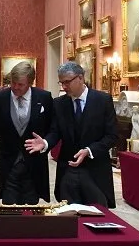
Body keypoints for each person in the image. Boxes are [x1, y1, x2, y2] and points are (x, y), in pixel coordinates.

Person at [25, 62, 118, 207]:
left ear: (80, 78)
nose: (64, 87)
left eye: (67, 82)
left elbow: (112, 136)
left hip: (95, 170)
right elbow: (55, 132)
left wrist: (89, 150)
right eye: (61, 82)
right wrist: (45, 143)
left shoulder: (103, 100)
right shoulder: (59, 104)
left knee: (97, 216)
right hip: (68, 171)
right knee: (69, 218)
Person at [0, 63, 53, 204]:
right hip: (8, 160)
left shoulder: (44, 97)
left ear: (30, 83)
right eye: (13, 83)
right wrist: (10, 140)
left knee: (32, 204)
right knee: (8, 203)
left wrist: (43, 143)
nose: (16, 87)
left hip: (34, 161)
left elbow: (50, 126)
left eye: (20, 84)